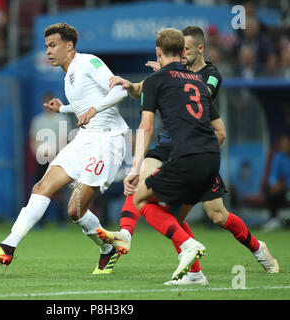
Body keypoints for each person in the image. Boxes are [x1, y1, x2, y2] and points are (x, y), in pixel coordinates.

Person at [92, 27, 279, 284]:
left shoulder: (208, 76)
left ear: (197, 49)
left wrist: (162, 75)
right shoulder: (170, 75)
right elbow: (145, 91)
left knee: (216, 216)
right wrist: (132, 84)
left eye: (188, 51)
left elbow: (192, 101)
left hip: (193, 149)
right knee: (143, 193)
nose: (184, 55)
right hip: (173, 146)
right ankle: (128, 234)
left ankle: (257, 249)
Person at [0, 22, 129, 275]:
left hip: (107, 140)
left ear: (69, 46)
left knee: (75, 210)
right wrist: (65, 108)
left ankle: (107, 249)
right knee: (41, 187)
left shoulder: (89, 62)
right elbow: (85, 103)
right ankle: (7, 247)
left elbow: (120, 89)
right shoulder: (68, 75)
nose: (48, 51)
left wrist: (94, 110)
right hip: (84, 138)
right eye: (46, 46)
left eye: (53, 45)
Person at [29, 92, 74, 228]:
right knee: (41, 188)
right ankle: (40, 221)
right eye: (46, 101)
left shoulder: (63, 119)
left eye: (50, 101)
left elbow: (68, 138)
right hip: (42, 159)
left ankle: (60, 220)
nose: (48, 104)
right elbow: (33, 140)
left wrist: (58, 152)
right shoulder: (38, 120)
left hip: (59, 157)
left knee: (59, 190)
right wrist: (38, 152)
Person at [262, 135, 290, 231]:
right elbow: (273, 175)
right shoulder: (278, 157)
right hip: (282, 189)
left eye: (286, 144)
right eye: (282, 144)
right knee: (271, 191)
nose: (284, 146)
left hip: (287, 187)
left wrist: (285, 185)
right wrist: (274, 184)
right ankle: (274, 220)